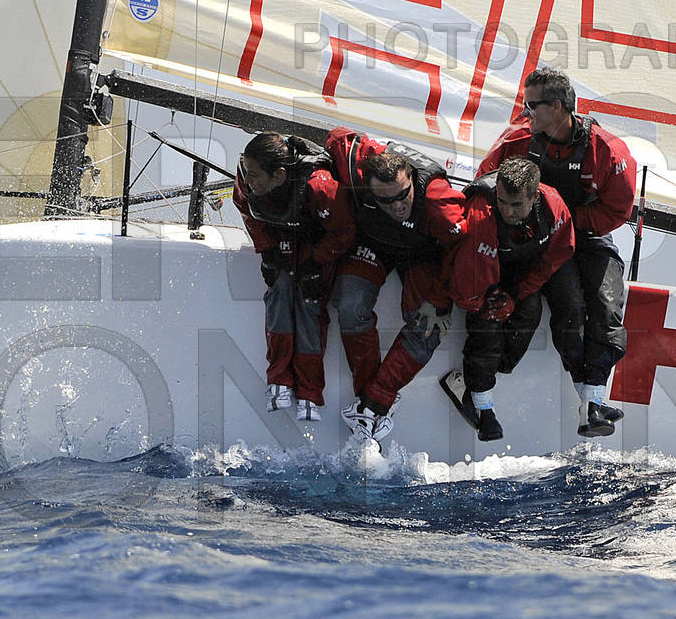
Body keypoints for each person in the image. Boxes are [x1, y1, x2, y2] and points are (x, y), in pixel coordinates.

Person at [479, 66, 636, 433]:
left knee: (607, 305)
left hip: (587, 235)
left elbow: (618, 210)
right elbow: (484, 184)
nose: (525, 112)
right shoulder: (517, 140)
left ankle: (592, 398)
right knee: (570, 305)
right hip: (538, 239)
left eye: (532, 105)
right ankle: (589, 401)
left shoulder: (608, 151)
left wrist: (567, 218)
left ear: (558, 107)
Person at [324, 127, 468, 441]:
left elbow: (462, 247)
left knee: (428, 324)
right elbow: (337, 137)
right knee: (350, 306)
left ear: (411, 179)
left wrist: (438, 298)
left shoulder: (438, 200)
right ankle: (368, 406)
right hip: (373, 244)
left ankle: (374, 403)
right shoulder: (356, 165)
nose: (398, 206)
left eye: (403, 195)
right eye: (386, 200)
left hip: (421, 253)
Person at [443, 157, 582, 442]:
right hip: (480, 269)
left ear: (534, 197)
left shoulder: (554, 207)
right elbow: (466, 282)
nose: (507, 211)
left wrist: (516, 294)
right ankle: (482, 402)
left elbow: (554, 258)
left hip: (520, 272)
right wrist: (485, 305)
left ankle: (476, 381)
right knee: (488, 323)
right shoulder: (483, 213)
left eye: (516, 205)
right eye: (502, 202)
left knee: (529, 315)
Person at [236, 132, 354, 421]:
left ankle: (310, 391)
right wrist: (267, 251)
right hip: (280, 238)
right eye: (246, 171)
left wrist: (317, 261)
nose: (247, 180)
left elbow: (343, 231)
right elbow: (246, 209)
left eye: (254, 175)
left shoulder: (319, 186)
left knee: (309, 304)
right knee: (278, 294)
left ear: (279, 174)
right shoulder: (246, 180)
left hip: (319, 244)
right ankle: (278, 379)